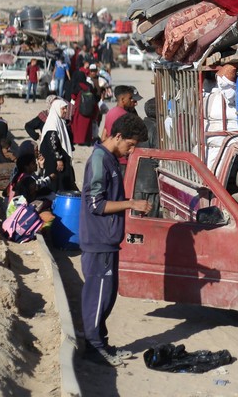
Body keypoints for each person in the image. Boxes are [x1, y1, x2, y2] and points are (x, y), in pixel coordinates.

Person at [80, 113, 150, 366]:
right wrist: (130, 204)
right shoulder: (99, 160)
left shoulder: (109, 159)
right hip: (98, 240)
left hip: (107, 240)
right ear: (117, 136)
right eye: (130, 145)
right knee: (98, 296)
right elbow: (95, 204)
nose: (131, 151)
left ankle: (101, 342)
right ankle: (95, 348)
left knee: (107, 295)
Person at [39, 98, 78, 193]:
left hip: (57, 159)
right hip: (54, 162)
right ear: (56, 108)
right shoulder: (53, 123)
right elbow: (53, 142)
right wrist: (59, 159)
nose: (65, 111)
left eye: (65, 108)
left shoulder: (58, 121)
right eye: (63, 108)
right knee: (56, 183)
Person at [133, 97, 161, 218]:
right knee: (150, 217)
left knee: (135, 216)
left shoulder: (138, 125)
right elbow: (157, 156)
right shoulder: (155, 129)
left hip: (137, 179)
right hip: (150, 183)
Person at [70, 65, 101, 146]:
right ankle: (87, 140)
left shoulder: (77, 85)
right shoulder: (89, 85)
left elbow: (73, 96)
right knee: (87, 125)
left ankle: (78, 140)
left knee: (77, 125)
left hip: (79, 108)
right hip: (89, 107)